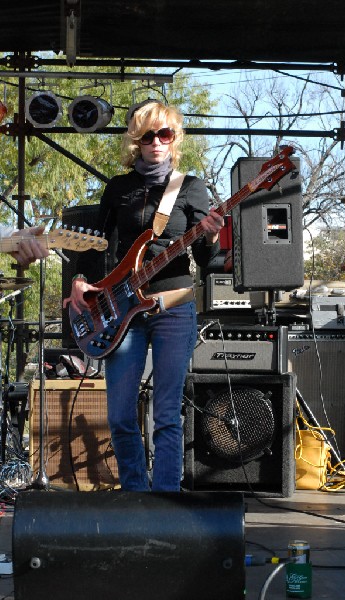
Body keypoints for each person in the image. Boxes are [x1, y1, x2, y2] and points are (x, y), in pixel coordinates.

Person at [63, 101, 224, 491]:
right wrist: (80, 280)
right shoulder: (119, 188)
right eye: (148, 135)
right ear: (137, 140)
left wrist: (212, 235)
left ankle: (165, 501)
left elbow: (207, 260)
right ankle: (136, 497)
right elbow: (92, 245)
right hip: (122, 309)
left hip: (173, 308)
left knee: (167, 413)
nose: (156, 142)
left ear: (174, 139)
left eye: (164, 134)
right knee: (119, 414)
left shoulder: (191, 187)